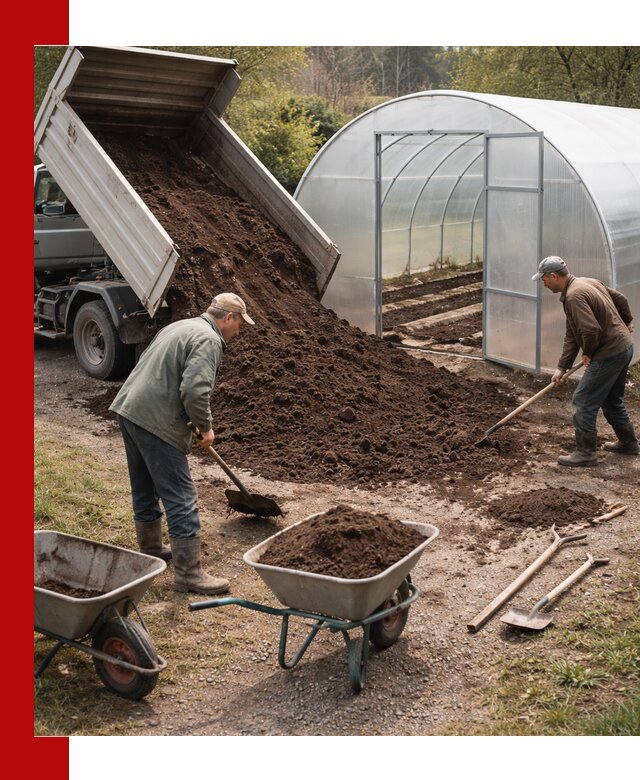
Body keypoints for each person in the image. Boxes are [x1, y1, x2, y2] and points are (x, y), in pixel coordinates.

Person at [109, 292, 255, 594]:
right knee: (181, 496)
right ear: (228, 317)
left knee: (145, 486)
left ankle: (150, 550)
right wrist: (206, 427)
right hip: (155, 421)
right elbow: (194, 391)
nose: (239, 331)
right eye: (240, 324)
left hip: (129, 410)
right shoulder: (209, 340)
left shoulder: (180, 326)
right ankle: (188, 574)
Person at [532, 256, 637, 466]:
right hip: (624, 347)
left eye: (543, 279)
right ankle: (628, 443)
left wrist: (588, 352)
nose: (542, 283)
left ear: (554, 276)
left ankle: (586, 454)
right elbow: (574, 332)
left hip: (608, 353)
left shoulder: (574, 296)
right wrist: (562, 367)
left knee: (583, 401)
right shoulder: (587, 282)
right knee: (611, 400)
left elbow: (590, 330)